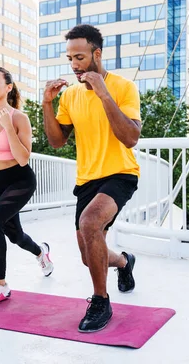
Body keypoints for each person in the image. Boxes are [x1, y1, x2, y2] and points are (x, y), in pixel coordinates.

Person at [42, 24, 141, 332]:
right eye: (70, 58)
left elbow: (131, 137)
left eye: (80, 57)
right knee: (89, 257)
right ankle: (124, 262)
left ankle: (101, 301)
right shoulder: (69, 96)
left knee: (89, 223)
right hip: (87, 180)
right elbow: (57, 141)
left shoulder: (124, 87)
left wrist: (103, 94)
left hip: (121, 173)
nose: (74, 65)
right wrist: (47, 103)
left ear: (97, 54)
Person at [0, 67, 54, 307]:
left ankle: (0, 285)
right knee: (14, 235)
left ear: (8, 87)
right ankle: (41, 252)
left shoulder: (18, 118)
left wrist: (7, 126)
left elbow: (24, 158)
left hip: (19, 180)